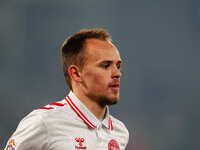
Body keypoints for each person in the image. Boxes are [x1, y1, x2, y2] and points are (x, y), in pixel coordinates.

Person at [4, 28, 129, 150]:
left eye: (118, 66)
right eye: (106, 66)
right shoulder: (44, 122)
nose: (117, 73)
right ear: (76, 74)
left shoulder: (120, 132)